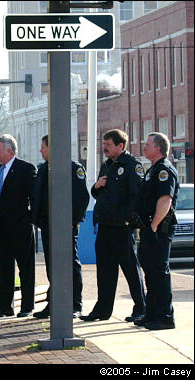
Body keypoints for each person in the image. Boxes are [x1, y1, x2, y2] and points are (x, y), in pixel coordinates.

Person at [81, 129, 146, 322]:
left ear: (120, 146)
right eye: (104, 144)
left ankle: (141, 307)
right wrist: (96, 186)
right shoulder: (107, 165)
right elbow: (98, 194)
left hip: (122, 227)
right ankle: (102, 309)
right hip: (105, 225)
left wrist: (128, 219)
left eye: (108, 145)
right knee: (105, 270)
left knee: (131, 270)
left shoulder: (132, 166)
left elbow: (137, 196)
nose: (105, 148)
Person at [32, 135, 90, 319]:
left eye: (43, 147)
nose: (41, 151)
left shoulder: (73, 168)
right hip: (48, 226)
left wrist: (71, 222)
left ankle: (75, 303)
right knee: (51, 265)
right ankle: (54, 303)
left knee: (70, 264)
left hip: (66, 227)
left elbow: (82, 198)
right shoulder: (42, 170)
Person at [0, 134, 37, 318]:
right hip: (0, 228)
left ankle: (27, 306)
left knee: (26, 268)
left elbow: (34, 197)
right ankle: (5, 307)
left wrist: (29, 218)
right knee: (4, 268)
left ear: (9, 150)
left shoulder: (25, 168)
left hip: (20, 227)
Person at [134, 133, 179, 330]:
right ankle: (151, 313)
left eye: (148, 144)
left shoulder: (164, 170)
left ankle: (165, 316)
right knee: (150, 272)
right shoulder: (152, 170)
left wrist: (154, 226)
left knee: (159, 272)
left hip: (159, 229)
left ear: (158, 148)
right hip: (149, 228)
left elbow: (165, 200)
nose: (144, 147)